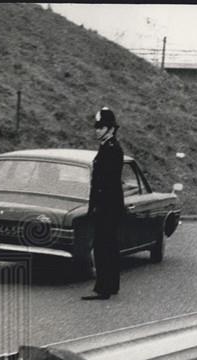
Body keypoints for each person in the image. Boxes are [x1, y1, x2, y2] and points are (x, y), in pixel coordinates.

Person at [83, 107, 125, 300]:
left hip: (107, 206)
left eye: (101, 127)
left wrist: (97, 206)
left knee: (102, 246)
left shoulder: (112, 149)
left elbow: (107, 182)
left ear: (110, 129)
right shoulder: (108, 147)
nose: (97, 131)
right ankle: (112, 285)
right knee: (110, 245)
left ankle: (103, 288)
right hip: (109, 205)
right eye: (97, 127)